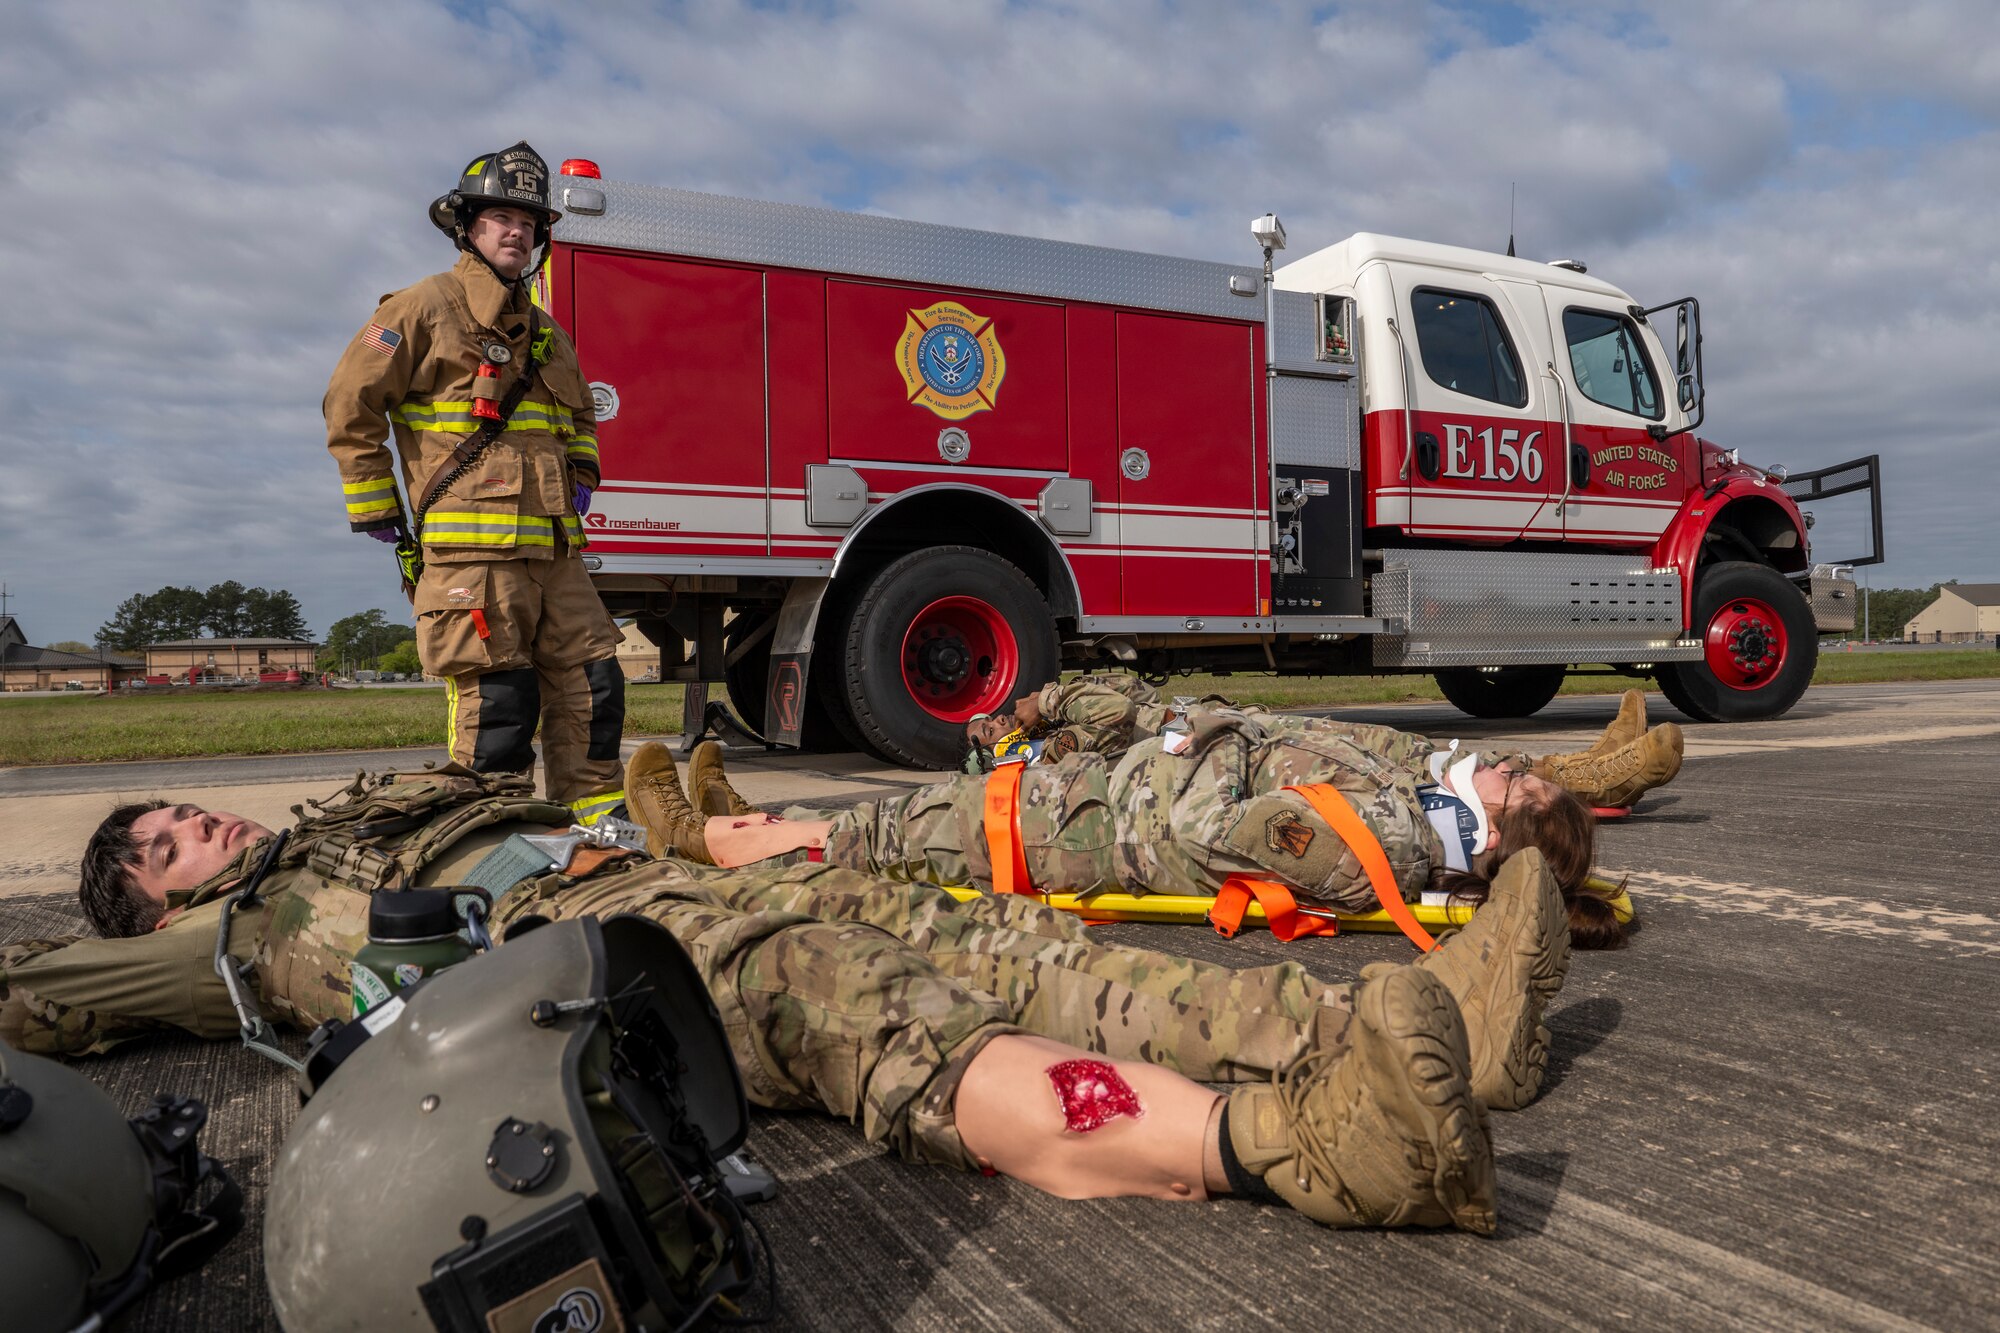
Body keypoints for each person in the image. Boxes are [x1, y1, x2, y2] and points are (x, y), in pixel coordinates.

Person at [6, 768, 1573, 1232]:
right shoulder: (225, 937)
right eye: (156, 847)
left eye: (180, 811)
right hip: (595, 952)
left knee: (1018, 948)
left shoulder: (351, 810)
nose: (192, 829)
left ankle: (1414, 1036)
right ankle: (1312, 1148)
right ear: (151, 902)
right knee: (893, 1021)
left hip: (658, 872)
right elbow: (39, 1001)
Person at [638, 696, 1629, 948]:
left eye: (1526, 789)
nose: (1512, 768)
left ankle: (701, 843)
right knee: (893, 821)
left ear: (1501, 835)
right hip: (1093, 800)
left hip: (1085, 831)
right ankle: (748, 819)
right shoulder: (1411, 802)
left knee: (886, 840)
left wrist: (1211, 734)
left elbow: (1210, 830)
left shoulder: (1390, 835)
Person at [324, 141, 627, 826]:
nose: (516, 230)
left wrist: (581, 473)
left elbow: (580, 414)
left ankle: (601, 844)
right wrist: (377, 507)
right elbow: (350, 402)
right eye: (499, 217)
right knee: (500, 715)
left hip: (556, 557)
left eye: (528, 221)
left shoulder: (548, 334)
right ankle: (496, 858)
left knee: (597, 693)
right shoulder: (422, 307)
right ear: (468, 227)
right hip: (473, 561)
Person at [969, 677, 1683, 811]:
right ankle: (1592, 782)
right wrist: (1047, 702)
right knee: (1408, 776)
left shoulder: (1059, 735)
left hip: (1253, 730)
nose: (1007, 715)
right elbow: (1116, 710)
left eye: (1003, 714)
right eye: (997, 725)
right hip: (1244, 759)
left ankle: (1586, 768)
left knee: (1415, 751)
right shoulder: (1052, 752)